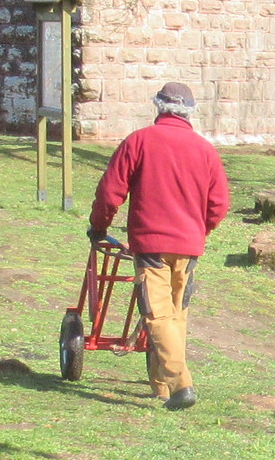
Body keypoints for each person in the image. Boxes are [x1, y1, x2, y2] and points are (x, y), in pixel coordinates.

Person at [89, 80, 230, 409]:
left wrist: (98, 227)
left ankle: (180, 385)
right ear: (189, 112)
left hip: (151, 244)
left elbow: (110, 193)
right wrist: (199, 230)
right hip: (189, 246)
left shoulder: (139, 141)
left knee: (157, 315)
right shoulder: (205, 150)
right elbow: (219, 204)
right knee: (176, 314)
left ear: (158, 106)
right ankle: (161, 387)